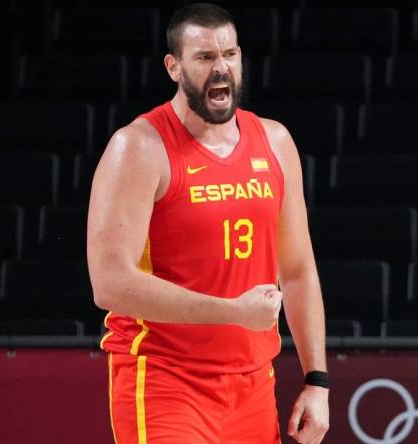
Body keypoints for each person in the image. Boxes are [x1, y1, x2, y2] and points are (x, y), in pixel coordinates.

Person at [87, 3, 329, 443]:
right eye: (204, 58)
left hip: (252, 383)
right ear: (174, 67)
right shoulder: (138, 147)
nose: (222, 69)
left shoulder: (274, 141)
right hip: (165, 380)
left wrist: (318, 379)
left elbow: (298, 271)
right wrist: (234, 312)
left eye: (230, 55)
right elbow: (110, 284)